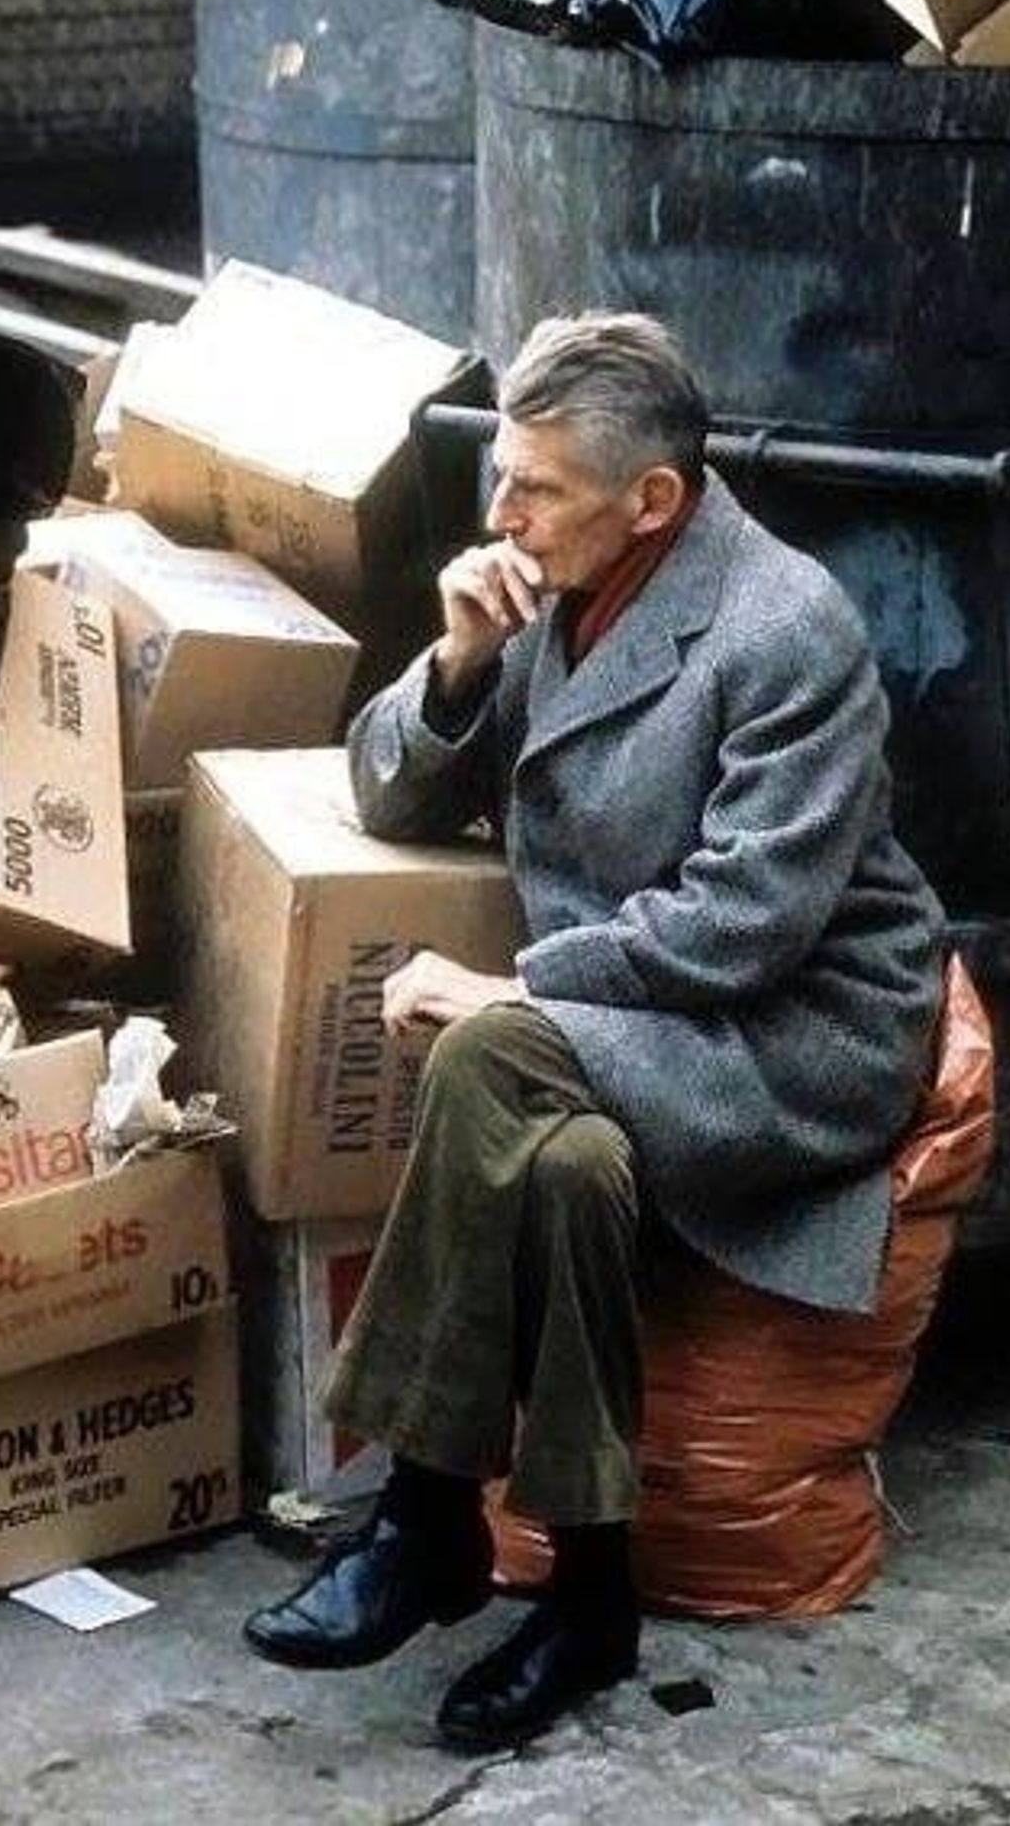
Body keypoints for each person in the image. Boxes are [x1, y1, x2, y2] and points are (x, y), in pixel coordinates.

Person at [243, 312, 944, 1750]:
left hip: (793, 1036)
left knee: (493, 1053)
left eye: (535, 489)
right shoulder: (555, 587)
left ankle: (425, 1504)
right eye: (502, 476)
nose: (502, 514)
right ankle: (590, 1601)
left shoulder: (784, 625)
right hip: (635, 1029)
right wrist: (453, 660)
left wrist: (521, 995)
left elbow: (748, 925)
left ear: (655, 501)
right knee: (563, 1173)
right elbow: (393, 799)